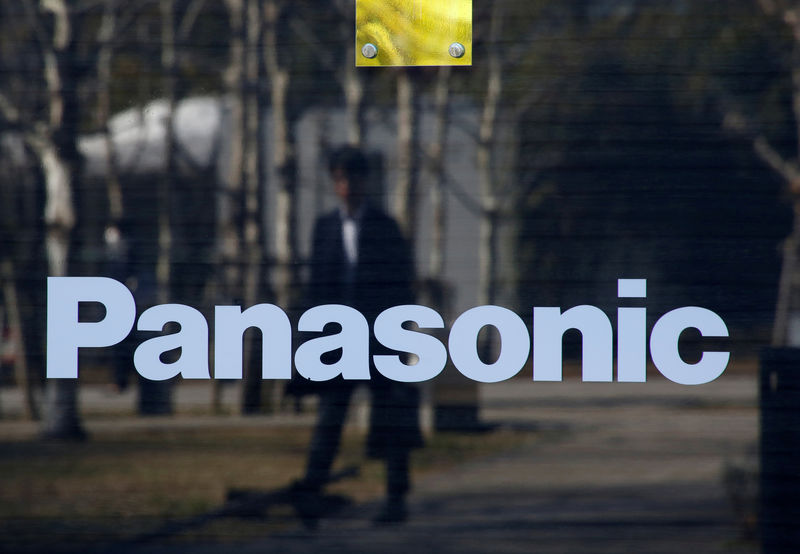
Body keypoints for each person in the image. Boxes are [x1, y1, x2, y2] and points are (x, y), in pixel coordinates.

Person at [288, 145, 423, 524]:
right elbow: (316, 286)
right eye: (341, 178)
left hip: (378, 336)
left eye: (354, 178)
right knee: (330, 416)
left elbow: (401, 284)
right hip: (339, 339)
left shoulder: (385, 226)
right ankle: (312, 491)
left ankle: (396, 497)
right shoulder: (325, 227)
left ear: (366, 181)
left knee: (390, 415)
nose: (347, 186)